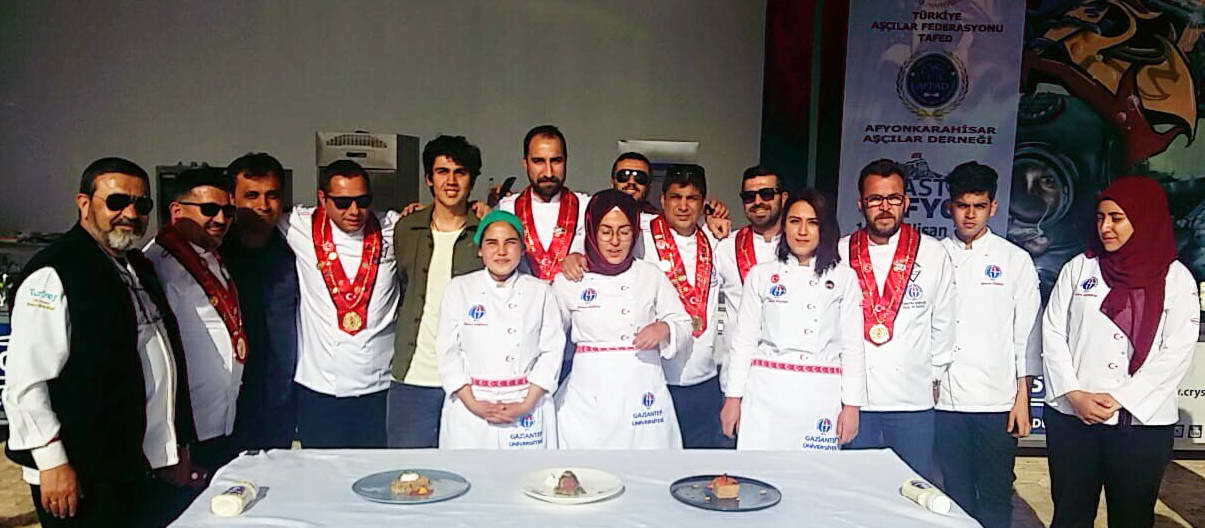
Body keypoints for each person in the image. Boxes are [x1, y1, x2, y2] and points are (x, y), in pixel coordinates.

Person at [4, 157, 200, 527]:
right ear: (84, 204)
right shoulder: (55, 273)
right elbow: (25, 381)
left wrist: (173, 447)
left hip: (133, 466)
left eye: (141, 205)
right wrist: (51, 462)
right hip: (82, 474)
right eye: (116, 202)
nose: (131, 214)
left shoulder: (136, 267)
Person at [1042, 176, 1198, 528]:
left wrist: (1121, 398)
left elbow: (1176, 351)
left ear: (1144, 219)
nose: (1106, 228)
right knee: (1070, 515)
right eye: (1100, 218)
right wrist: (1074, 393)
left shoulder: (1175, 278)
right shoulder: (1080, 267)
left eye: (1116, 218)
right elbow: (1052, 332)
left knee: (1132, 517)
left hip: (1140, 425)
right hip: (1074, 417)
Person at [936, 161, 1041, 528]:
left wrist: (1022, 399)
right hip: (945, 401)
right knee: (954, 495)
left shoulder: (1015, 260)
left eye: (979, 206)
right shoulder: (933, 256)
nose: (970, 215)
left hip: (996, 401)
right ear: (949, 207)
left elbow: (1026, 335)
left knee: (995, 495)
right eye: (962, 205)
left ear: (993, 207)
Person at [839, 159, 955, 480]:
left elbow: (944, 322)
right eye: (875, 199)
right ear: (861, 204)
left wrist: (934, 376)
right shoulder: (840, 252)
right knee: (855, 490)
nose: (885, 207)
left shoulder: (932, 252)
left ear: (906, 202)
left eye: (893, 198)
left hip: (911, 401)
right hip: (855, 402)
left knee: (912, 490)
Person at [721, 190, 865, 450]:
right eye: (795, 221)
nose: (802, 231)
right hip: (766, 394)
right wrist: (733, 399)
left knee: (815, 472)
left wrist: (852, 405)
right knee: (759, 470)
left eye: (812, 222)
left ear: (824, 228)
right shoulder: (761, 275)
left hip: (820, 395)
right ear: (784, 225)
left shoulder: (844, 278)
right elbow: (743, 342)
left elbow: (853, 347)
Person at [551, 190, 692, 449]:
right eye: (606, 232)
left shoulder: (649, 275)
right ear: (592, 231)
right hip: (589, 394)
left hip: (643, 389)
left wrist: (664, 328)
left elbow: (683, 322)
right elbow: (548, 336)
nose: (615, 241)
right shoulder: (570, 280)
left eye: (624, 232)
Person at [281, 159, 400, 448]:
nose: (354, 211)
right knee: (322, 472)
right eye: (343, 202)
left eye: (363, 201)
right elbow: (253, 216)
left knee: (377, 472)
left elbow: (440, 222)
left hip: (380, 389)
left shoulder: (393, 227)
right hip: (320, 390)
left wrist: (480, 208)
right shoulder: (298, 225)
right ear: (322, 198)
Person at [144, 168, 245, 475]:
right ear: (177, 211)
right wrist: (173, 442)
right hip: (187, 426)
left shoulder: (212, 255)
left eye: (228, 211)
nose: (220, 219)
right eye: (209, 209)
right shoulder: (156, 265)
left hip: (222, 417)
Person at [435, 211, 565, 449]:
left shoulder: (541, 292)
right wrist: (473, 404)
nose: (501, 251)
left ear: (522, 249)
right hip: (471, 408)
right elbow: (447, 352)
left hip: (525, 404)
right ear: (480, 249)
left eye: (510, 243)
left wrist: (526, 404)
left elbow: (552, 351)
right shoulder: (459, 289)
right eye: (492, 243)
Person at [390, 135, 484, 448]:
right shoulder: (407, 228)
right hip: (414, 375)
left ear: (472, 179)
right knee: (409, 468)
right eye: (442, 172)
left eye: (460, 172)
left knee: (470, 469)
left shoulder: (485, 231)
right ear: (429, 178)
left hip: (470, 379)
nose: (451, 181)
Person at [638, 165, 730, 448]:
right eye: (676, 197)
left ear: (703, 203)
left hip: (705, 376)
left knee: (701, 462)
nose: (683, 206)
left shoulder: (716, 238)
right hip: (656, 376)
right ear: (662, 199)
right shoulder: (640, 236)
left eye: (692, 198)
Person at [219, 153, 299, 451]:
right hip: (227, 401)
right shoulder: (214, 253)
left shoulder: (295, 246)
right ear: (232, 198)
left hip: (281, 398)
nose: (263, 205)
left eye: (272, 195)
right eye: (251, 195)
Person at [497, 125, 590, 281]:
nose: (548, 172)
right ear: (525, 164)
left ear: (566, 161)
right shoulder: (505, 210)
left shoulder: (587, 208)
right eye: (538, 161)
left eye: (556, 161)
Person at [715, 165, 788, 317]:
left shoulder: (800, 247)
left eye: (767, 194)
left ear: (784, 198)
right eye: (749, 196)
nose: (757, 202)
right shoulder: (725, 247)